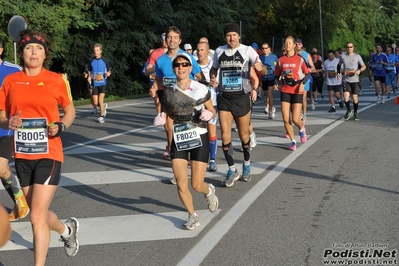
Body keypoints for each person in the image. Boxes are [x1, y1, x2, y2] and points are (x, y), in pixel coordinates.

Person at [0, 29, 78, 265]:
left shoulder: (56, 80)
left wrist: (61, 126)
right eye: (28, 48)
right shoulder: (10, 80)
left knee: (35, 217)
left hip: (50, 153)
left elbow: (70, 110)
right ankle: (67, 230)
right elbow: (2, 115)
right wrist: (8, 122)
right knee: (40, 214)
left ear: (45, 55)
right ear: (22, 52)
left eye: (39, 48)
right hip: (23, 155)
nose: (33, 52)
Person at [153, 53, 218, 230]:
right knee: (181, 182)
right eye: (177, 65)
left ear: (190, 68)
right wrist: (161, 117)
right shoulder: (168, 92)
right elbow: (166, 112)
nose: (181, 67)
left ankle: (209, 190)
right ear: (174, 69)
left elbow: (212, 110)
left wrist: (208, 114)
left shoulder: (201, 89)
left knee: (196, 184)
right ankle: (192, 214)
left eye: (184, 64)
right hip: (179, 137)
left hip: (198, 134)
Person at [209, 23, 266, 187]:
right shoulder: (219, 51)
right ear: (225, 37)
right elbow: (214, 70)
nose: (231, 38)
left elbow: (262, 70)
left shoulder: (248, 50)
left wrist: (260, 67)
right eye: (228, 35)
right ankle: (231, 168)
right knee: (225, 135)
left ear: (239, 36)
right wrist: (213, 78)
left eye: (234, 35)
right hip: (224, 97)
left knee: (243, 135)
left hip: (241, 97)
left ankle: (246, 165)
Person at [150, 26, 204, 184]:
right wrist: (153, 89)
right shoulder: (160, 60)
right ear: (165, 40)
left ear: (180, 40)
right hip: (169, 104)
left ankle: (191, 163)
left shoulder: (187, 57)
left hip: (187, 104)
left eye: (175, 37)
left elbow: (199, 76)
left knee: (185, 134)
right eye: (169, 37)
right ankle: (179, 170)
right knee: (171, 134)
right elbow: (159, 80)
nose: (171, 40)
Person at [0, 39, 30, 222]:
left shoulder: (13, 70)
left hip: (6, 129)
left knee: (1, 167)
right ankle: (19, 201)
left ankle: (21, 200)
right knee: (2, 171)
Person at [274, 36, 311, 151]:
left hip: (296, 90)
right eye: (286, 43)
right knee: (285, 118)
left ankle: (301, 129)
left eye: (290, 43)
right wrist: (276, 83)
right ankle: (293, 141)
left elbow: (308, 73)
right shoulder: (281, 60)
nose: (288, 45)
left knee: (295, 119)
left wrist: (302, 83)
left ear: (294, 45)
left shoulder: (299, 59)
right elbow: (276, 74)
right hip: (285, 90)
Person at [144, 33, 169, 157]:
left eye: (168, 38)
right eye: (164, 39)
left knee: (175, 121)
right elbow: (146, 70)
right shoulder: (156, 53)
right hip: (160, 87)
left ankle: (172, 145)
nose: (166, 41)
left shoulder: (178, 53)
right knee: (167, 122)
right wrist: (157, 68)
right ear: (161, 40)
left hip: (176, 89)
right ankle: (170, 145)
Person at [196, 41, 219, 171]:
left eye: (202, 50)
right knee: (197, 132)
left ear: (208, 51)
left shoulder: (214, 66)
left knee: (211, 131)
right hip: (198, 104)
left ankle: (212, 160)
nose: (200, 52)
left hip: (212, 103)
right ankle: (198, 158)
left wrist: (216, 83)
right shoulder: (193, 66)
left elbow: (220, 82)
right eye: (198, 50)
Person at [337, 42, 366, 121]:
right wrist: (339, 72)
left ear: (353, 47)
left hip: (355, 80)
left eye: (351, 47)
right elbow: (338, 65)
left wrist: (359, 70)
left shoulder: (357, 56)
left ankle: (355, 112)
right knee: (346, 96)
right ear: (346, 48)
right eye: (348, 47)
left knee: (354, 97)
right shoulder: (343, 56)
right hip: (346, 79)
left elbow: (364, 66)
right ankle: (349, 110)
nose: (349, 48)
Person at [88, 43, 111, 123]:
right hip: (95, 84)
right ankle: (103, 106)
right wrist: (89, 76)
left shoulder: (105, 61)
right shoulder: (91, 61)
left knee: (100, 100)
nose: (96, 52)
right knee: (95, 102)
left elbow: (109, 70)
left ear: (101, 51)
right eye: (95, 50)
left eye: (97, 50)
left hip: (103, 83)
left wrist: (108, 73)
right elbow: (89, 70)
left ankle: (102, 116)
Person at [295, 38, 315, 117]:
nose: (297, 45)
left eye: (299, 44)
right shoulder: (292, 54)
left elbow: (313, 66)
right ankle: (299, 113)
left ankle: (304, 113)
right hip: (296, 78)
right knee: (297, 97)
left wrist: (310, 69)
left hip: (305, 78)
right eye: (296, 44)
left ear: (302, 45)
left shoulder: (306, 55)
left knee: (303, 97)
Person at [259, 42, 279, 118]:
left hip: (272, 78)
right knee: (266, 94)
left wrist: (276, 81)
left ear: (269, 49)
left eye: (266, 48)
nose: (264, 50)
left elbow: (277, 67)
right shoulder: (259, 57)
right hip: (264, 78)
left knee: (270, 94)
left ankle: (270, 111)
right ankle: (272, 107)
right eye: (263, 48)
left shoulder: (274, 57)